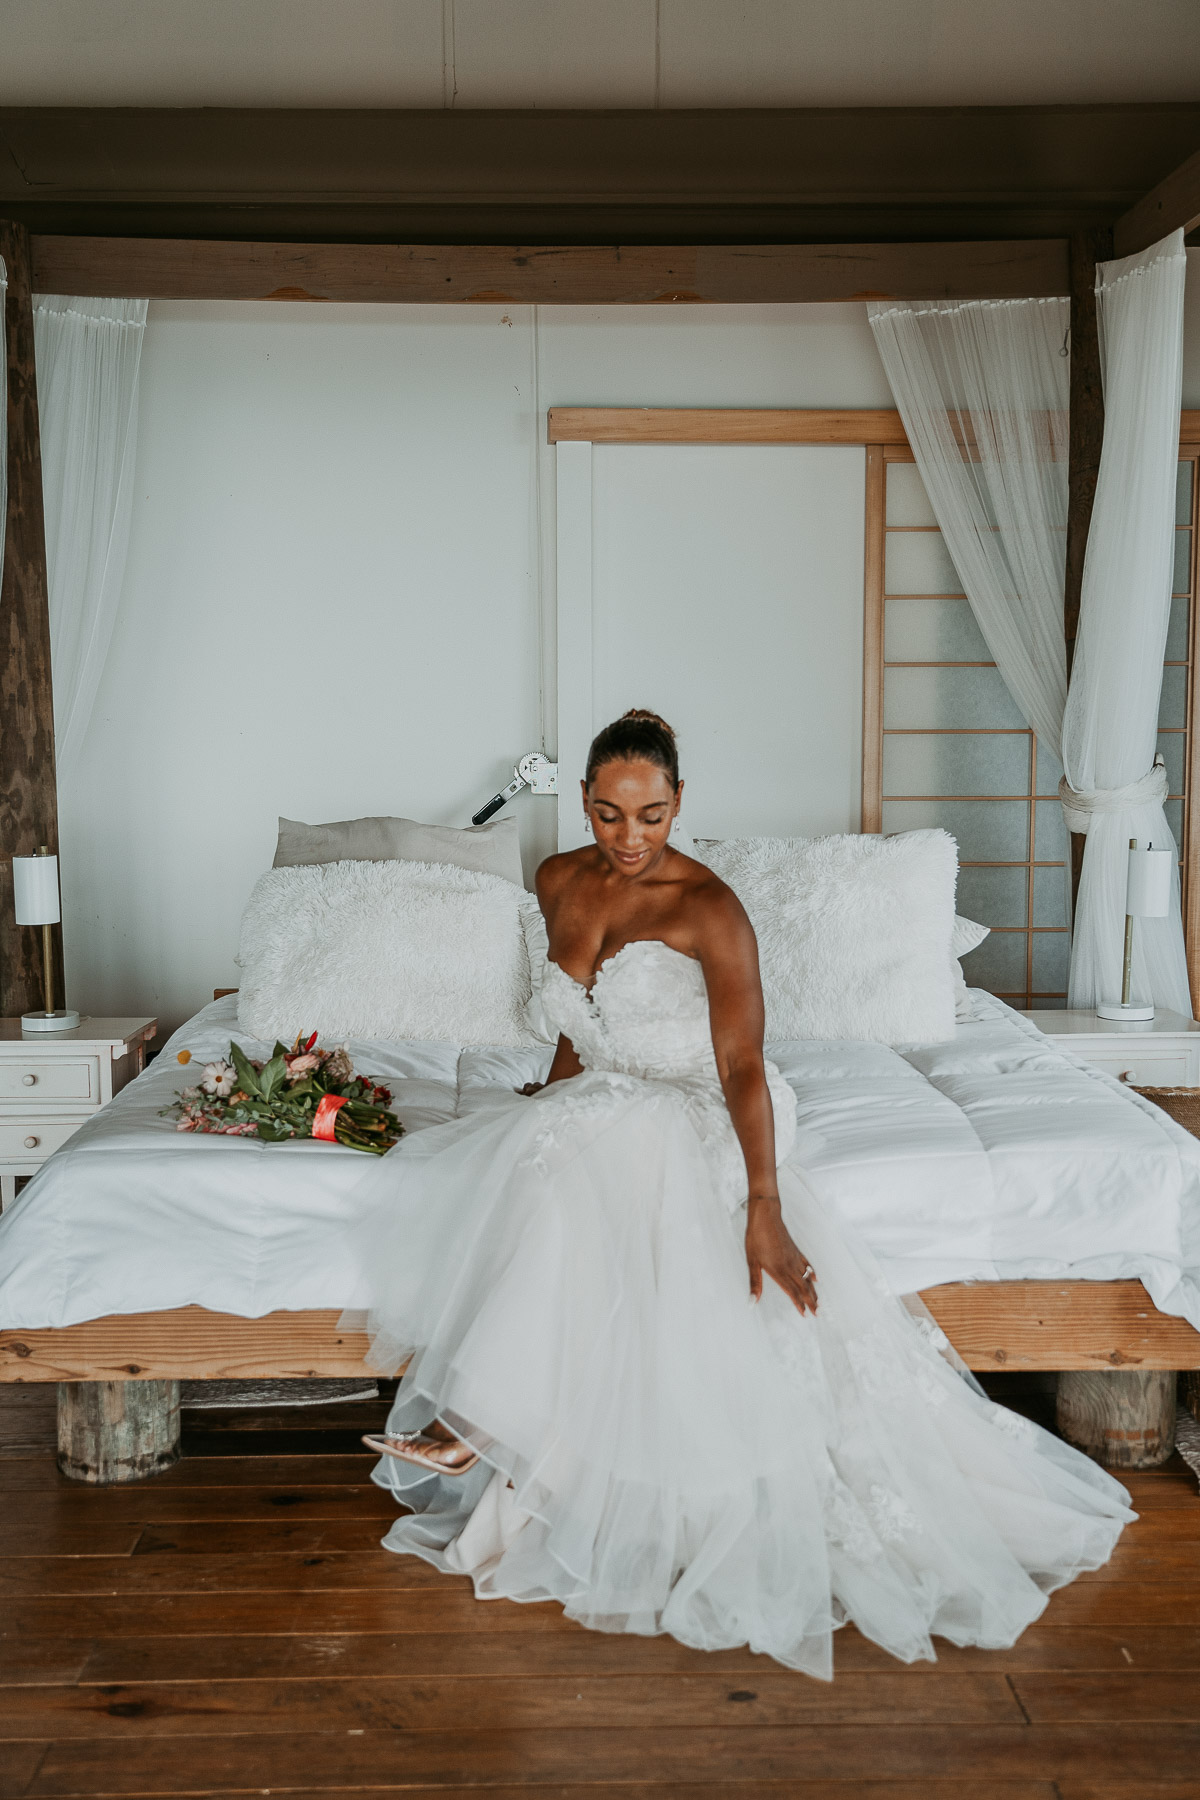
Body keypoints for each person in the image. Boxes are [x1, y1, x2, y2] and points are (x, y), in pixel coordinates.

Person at [345, 709, 1132, 1680]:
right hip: (607, 1087)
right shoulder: (556, 879)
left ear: (680, 804)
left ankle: (482, 1425)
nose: (630, 839)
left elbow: (746, 1066)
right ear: (582, 804)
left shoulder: (709, 907)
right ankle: (494, 1425)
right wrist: (552, 1084)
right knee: (556, 1136)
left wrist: (765, 1206)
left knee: (595, 1141)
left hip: (705, 1100)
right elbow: (573, 1013)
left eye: (652, 815)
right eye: (606, 814)